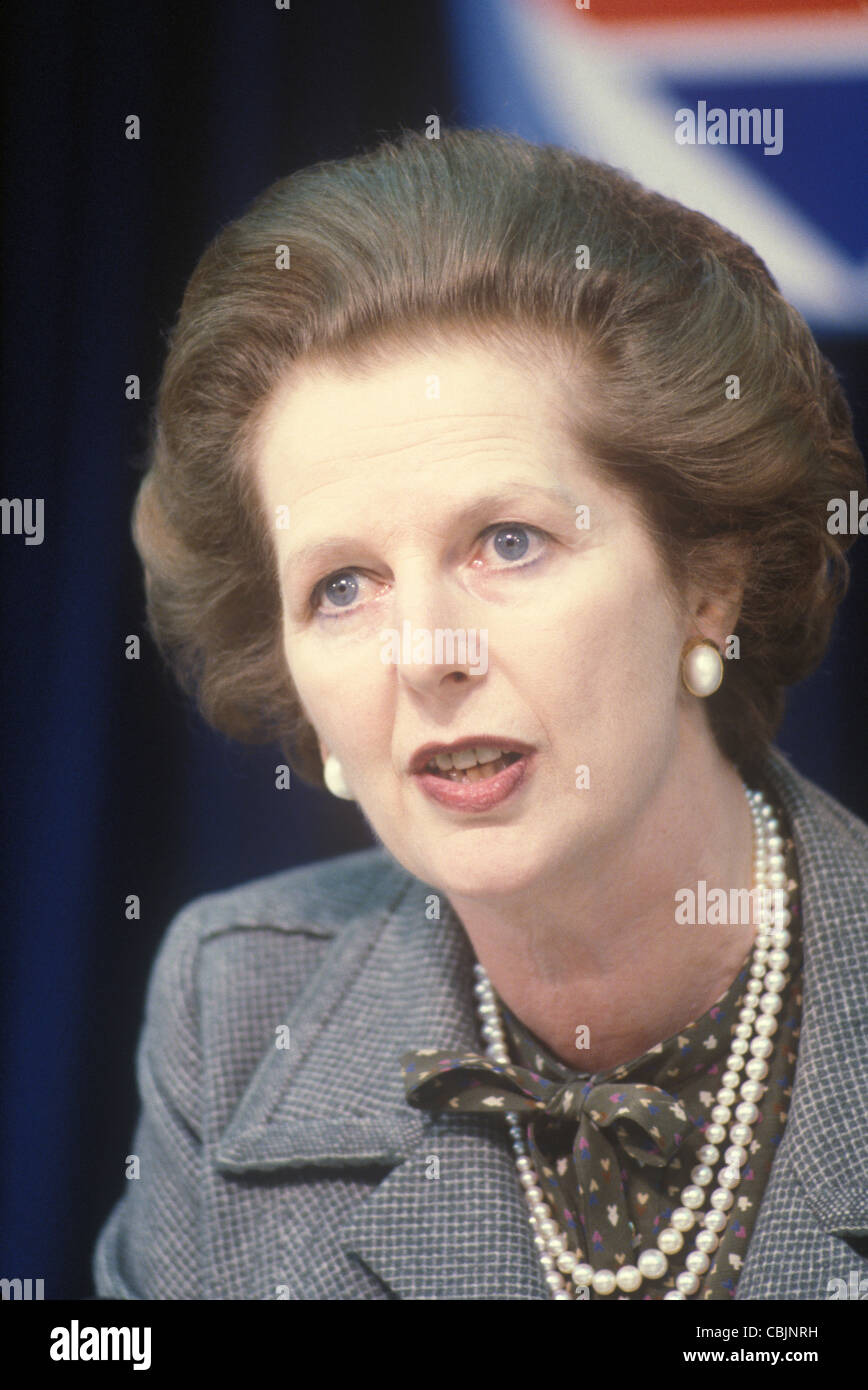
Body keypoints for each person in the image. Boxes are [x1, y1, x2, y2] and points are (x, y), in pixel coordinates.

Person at [92, 126, 868, 1300]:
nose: (427, 655)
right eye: (341, 586)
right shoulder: (238, 1005)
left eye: (510, 541)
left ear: (707, 580)